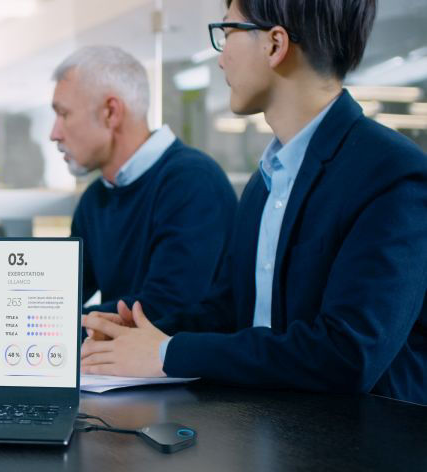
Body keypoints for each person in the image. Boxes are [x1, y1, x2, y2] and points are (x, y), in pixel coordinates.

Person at [81, 0, 427, 405]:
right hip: (266, 430)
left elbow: (347, 355)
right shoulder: (268, 180)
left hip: (359, 452)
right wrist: (139, 332)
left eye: (227, 33)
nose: (221, 58)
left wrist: (165, 353)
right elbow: (230, 311)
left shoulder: (392, 174)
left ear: (275, 45)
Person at [51, 46, 237, 321]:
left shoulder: (192, 183)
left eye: (63, 114)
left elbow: (164, 311)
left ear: (111, 112)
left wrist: (52, 325)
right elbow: (58, 293)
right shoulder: (95, 198)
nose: (54, 134)